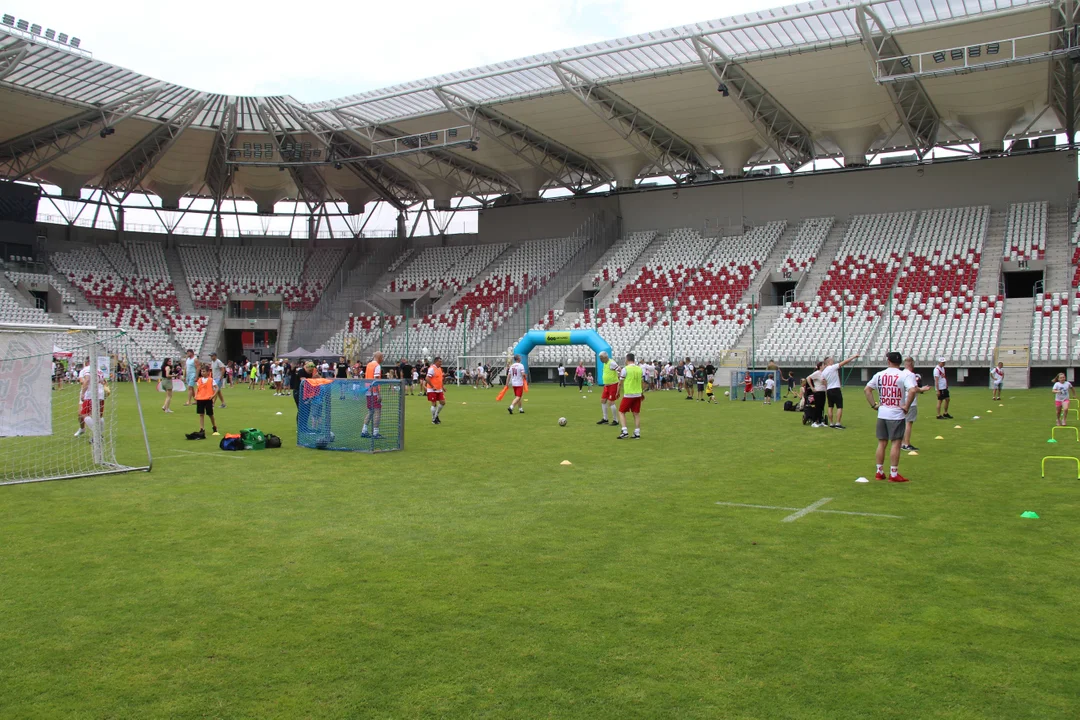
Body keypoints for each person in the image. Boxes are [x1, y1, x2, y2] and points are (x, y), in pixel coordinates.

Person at [864, 351, 917, 483]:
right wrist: (906, 406)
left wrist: (874, 405)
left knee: (882, 443)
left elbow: (867, 390)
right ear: (900, 362)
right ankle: (893, 473)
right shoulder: (904, 375)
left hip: (882, 413)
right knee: (896, 443)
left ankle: (879, 471)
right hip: (896, 413)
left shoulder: (880, 375)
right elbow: (913, 390)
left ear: (888, 361)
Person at [899, 357, 932, 451]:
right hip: (910, 401)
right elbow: (914, 389)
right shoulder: (911, 375)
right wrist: (923, 389)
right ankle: (906, 443)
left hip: (901, 400)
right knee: (909, 423)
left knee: (902, 422)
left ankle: (901, 443)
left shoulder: (901, 374)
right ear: (912, 364)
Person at [821, 354, 860, 428]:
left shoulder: (823, 372)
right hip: (835, 388)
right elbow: (844, 362)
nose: (833, 361)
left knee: (830, 406)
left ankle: (831, 423)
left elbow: (823, 381)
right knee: (839, 406)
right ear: (829, 362)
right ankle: (838, 423)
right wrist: (853, 357)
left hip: (829, 390)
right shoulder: (832, 368)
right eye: (832, 360)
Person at [75, 358, 107, 438]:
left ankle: (97, 434)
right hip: (100, 394)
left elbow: (86, 380)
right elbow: (103, 382)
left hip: (90, 393)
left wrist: (83, 393)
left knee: (84, 414)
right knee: (98, 415)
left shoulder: (87, 368)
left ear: (86, 362)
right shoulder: (99, 370)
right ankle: (98, 434)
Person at [616, 353, 644, 439]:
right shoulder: (639, 369)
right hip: (638, 394)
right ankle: (637, 433)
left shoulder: (625, 369)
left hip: (629, 394)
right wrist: (642, 393)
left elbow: (620, 383)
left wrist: (617, 392)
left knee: (621, 412)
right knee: (636, 413)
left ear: (627, 359)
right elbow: (641, 382)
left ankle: (624, 431)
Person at [193, 365, 219, 438]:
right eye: (201, 371)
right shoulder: (199, 380)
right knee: (201, 414)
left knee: (210, 414)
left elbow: (217, 388)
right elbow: (197, 388)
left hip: (208, 399)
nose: (202, 372)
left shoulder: (211, 380)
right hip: (200, 399)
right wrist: (195, 395)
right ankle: (202, 428)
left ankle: (214, 427)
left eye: (204, 371)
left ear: (208, 372)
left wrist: (213, 395)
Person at [362, 351, 384, 439]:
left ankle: (364, 430)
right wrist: (378, 394)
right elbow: (376, 380)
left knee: (370, 411)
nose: (383, 359)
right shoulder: (377, 366)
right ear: (379, 357)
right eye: (382, 357)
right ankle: (375, 432)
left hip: (368, 390)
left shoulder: (369, 365)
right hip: (374, 391)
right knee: (377, 411)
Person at [597, 351, 621, 425]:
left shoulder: (612, 363)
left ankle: (615, 420)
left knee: (611, 402)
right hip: (606, 385)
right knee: (603, 400)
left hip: (613, 385)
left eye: (601, 358)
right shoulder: (605, 363)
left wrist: (619, 376)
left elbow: (620, 370)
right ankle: (605, 419)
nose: (600, 360)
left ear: (605, 357)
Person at [426, 356, 446, 424]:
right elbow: (427, 378)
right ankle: (433, 419)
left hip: (439, 389)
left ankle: (436, 416)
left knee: (443, 402)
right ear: (436, 362)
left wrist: (442, 387)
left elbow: (440, 379)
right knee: (434, 403)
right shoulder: (432, 368)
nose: (441, 363)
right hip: (432, 389)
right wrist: (432, 386)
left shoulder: (440, 368)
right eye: (440, 362)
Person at [807, 361, 826, 426]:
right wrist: (812, 387)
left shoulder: (823, 373)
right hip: (818, 391)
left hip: (823, 391)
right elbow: (808, 378)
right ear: (820, 366)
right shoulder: (817, 373)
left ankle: (821, 421)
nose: (825, 366)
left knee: (821, 407)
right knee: (817, 407)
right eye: (824, 365)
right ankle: (814, 421)